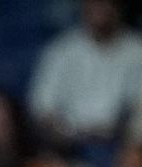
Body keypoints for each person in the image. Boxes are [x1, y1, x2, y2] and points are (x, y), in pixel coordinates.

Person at [29, 0, 142, 147]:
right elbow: (42, 107)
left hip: (120, 144)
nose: (99, 10)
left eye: (104, 4)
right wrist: (63, 133)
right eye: (93, 4)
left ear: (117, 8)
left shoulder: (136, 51)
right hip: (69, 145)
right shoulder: (61, 50)